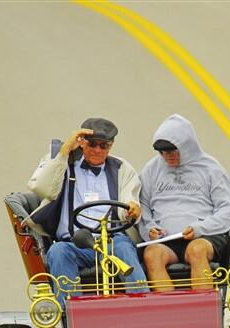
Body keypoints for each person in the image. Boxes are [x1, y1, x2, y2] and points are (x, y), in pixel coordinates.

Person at [27, 117, 148, 307]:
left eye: (104, 145)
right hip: (75, 242)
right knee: (57, 252)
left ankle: (143, 308)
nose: (98, 150)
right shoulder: (63, 162)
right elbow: (41, 187)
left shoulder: (121, 168)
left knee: (124, 247)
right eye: (92, 144)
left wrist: (132, 208)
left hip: (111, 241)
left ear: (111, 145)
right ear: (82, 142)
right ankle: (72, 315)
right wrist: (65, 151)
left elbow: (129, 199)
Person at [139, 114, 230, 291]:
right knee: (152, 254)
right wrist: (150, 228)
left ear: (187, 147)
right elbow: (142, 205)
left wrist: (200, 228)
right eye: (162, 152)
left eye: (171, 151)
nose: (167, 156)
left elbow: (226, 209)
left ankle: (203, 314)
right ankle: (170, 314)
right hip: (167, 238)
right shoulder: (151, 169)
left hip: (204, 235)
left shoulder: (211, 169)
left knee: (196, 250)